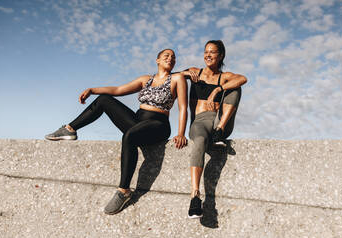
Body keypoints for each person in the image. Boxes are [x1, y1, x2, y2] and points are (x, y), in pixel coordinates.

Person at [45, 49, 188, 215]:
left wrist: (181, 133)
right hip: (138, 120)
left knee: (129, 136)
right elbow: (119, 90)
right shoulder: (145, 79)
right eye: (166, 56)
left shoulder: (178, 79)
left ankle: (124, 191)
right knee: (104, 100)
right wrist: (93, 90)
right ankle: (70, 129)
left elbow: (183, 107)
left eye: (173, 57)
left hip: (158, 124)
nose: (170, 58)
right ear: (157, 60)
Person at [181, 40, 247, 219]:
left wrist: (218, 89)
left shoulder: (224, 76)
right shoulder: (196, 72)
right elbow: (172, 76)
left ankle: (219, 131)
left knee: (235, 86)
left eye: (213, 52)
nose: (208, 55)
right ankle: (195, 196)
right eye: (206, 51)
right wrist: (187, 72)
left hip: (220, 121)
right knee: (200, 140)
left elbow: (243, 78)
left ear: (221, 56)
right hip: (200, 123)